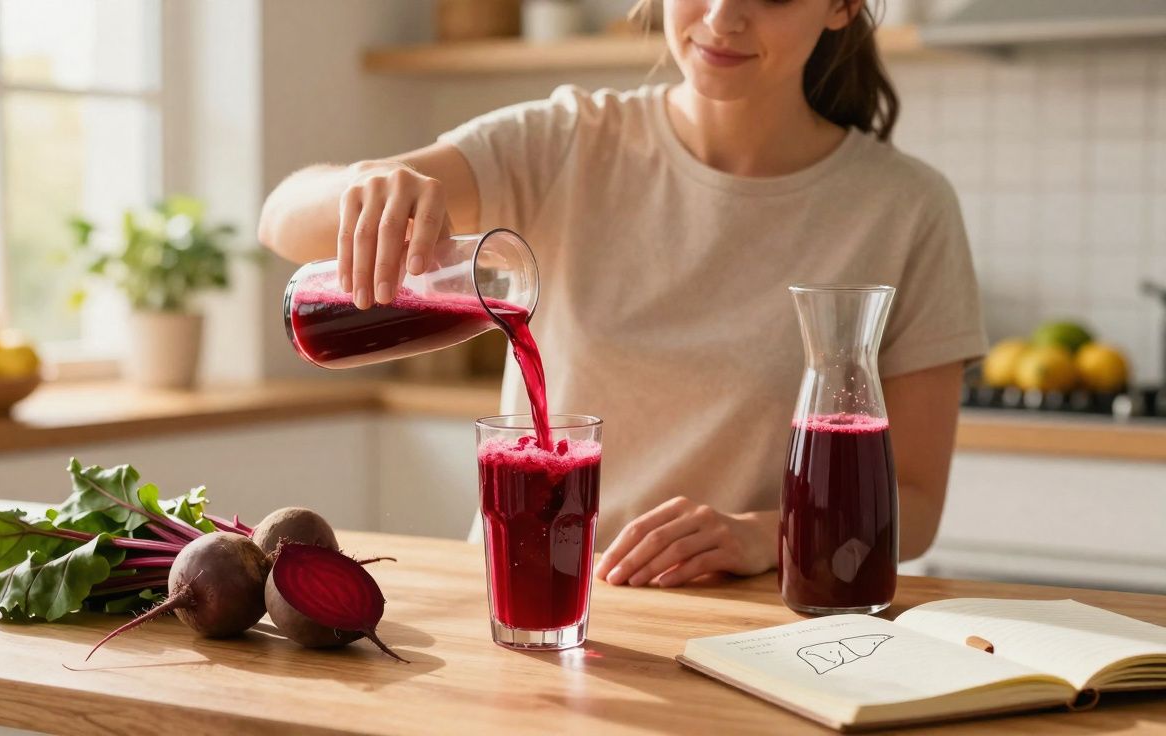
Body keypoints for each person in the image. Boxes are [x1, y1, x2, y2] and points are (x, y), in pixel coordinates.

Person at [258, 0, 986, 589]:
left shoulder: (906, 208)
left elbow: (913, 507)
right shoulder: (568, 141)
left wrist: (762, 532)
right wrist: (368, 186)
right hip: (528, 605)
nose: (723, 18)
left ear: (841, 6)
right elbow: (283, 217)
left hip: (750, 631)